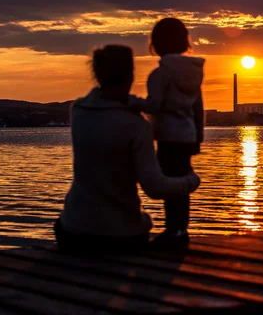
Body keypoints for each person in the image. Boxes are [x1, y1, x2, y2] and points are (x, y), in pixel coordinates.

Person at [55, 45, 201, 254]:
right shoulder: (136, 125)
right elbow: (155, 187)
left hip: (72, 233)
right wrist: (191, 181)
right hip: (120, 237)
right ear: (130, 76)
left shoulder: (78, 111)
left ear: (97, 74)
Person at [129, 18, 205, 245]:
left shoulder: (160, 74)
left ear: (156, 43)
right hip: (187, 134)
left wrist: (132, 102)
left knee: (171, 182)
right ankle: (180, 229)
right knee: (181, 180)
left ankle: (173, 230)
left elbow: (155, 106)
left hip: (169, 135)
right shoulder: (192, 73)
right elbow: (197, 108)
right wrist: (198, 137)